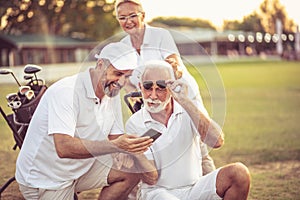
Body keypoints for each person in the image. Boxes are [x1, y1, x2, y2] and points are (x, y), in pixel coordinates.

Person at [15, 42, 156, 200]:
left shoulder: (111, 91)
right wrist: (115, 146)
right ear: (100, 65)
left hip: (83, 168)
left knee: (131, 170)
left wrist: (132, 153)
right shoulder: (66, 92)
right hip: (47, 178)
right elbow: (64, 147)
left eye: (127, 76)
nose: (121, 82)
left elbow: (114, 137)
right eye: (117, 74)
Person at [115, 0, 216, 174]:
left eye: (132, 16)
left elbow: (174, 62)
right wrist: (141, 101)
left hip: (181, 97)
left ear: (143, 16)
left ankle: (213, 190)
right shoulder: (122, 47)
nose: (128, 21)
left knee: (198, 149)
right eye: (122, 18)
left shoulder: (160, 35)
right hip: (155, 105)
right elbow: (127, 82)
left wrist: (172, 69)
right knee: (156, 153)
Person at [125, 60, 251, 200]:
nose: (153, 95)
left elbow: (217, 141)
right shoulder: (135, 123)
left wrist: (185, 101)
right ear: (140, 87)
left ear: (172, 87)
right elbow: (152, 179)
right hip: (158, 192)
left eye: (160, 88)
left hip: (194, 188)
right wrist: (136, 154)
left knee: (239, 173)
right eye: (148, 88)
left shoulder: (188, 109)